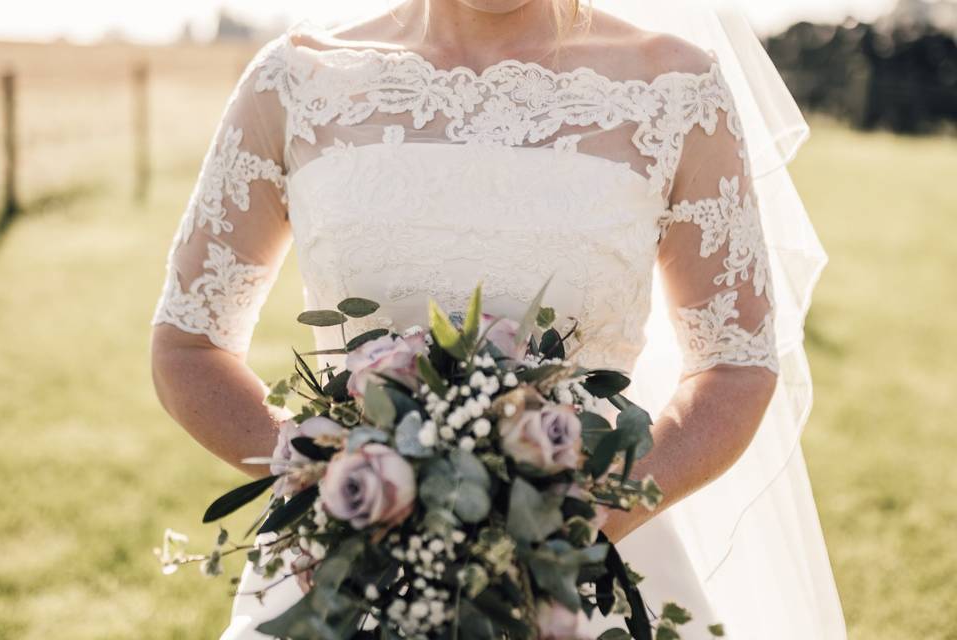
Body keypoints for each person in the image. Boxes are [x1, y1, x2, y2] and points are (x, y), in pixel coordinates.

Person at [150, 1, 847, 637]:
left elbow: (734, 364)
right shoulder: (294, 80)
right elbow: (188, 346)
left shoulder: (676, 88)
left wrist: (589, 517)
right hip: (345, 574)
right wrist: (334, 483)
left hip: (580, 582)